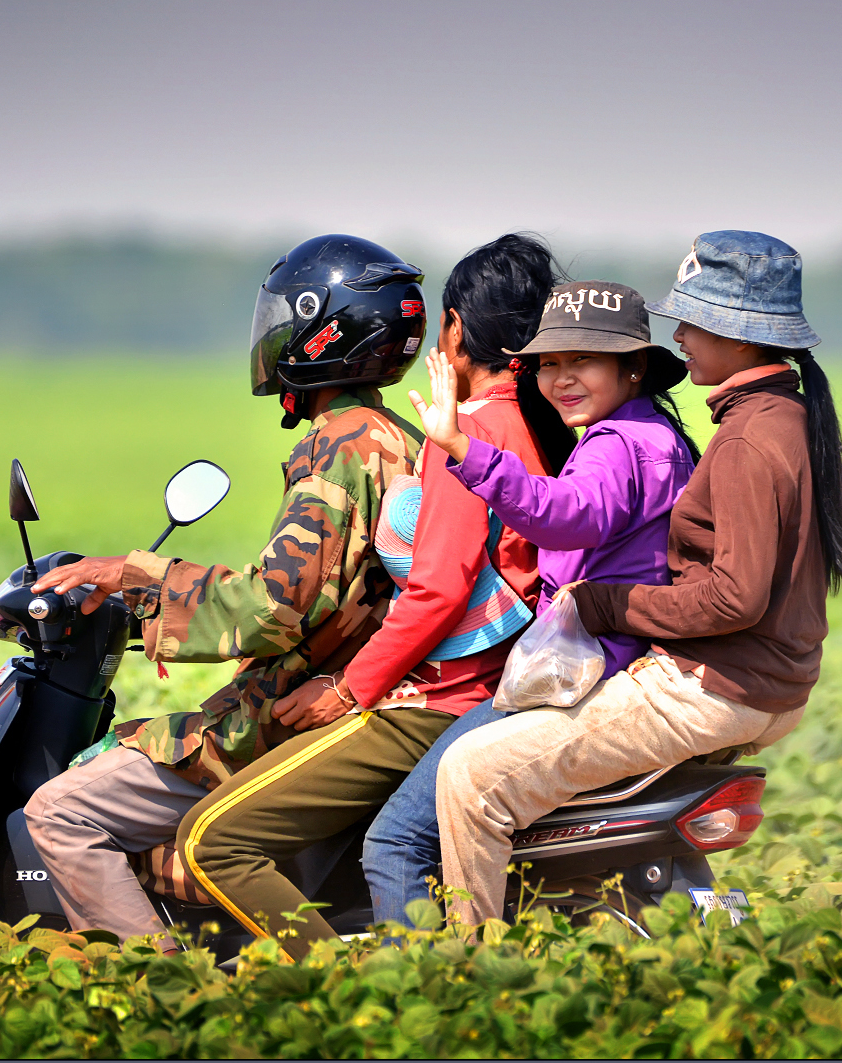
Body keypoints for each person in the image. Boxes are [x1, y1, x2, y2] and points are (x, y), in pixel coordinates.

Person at [434, 231, 842, 928]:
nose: (684, 335)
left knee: (468, 775)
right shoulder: (774, 419)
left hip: (712, 685)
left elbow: (737, 595)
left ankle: (471, 973)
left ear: (739, 332)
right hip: (760, 684)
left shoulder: (751, 438)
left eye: (694, 322)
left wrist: (606, 605)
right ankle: (703, 921)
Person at [21, 234, 425, 948]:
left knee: (62, 810)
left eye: (282, 320)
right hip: (342, 695)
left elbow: (275, 609)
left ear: (319, 331)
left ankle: (151, 992)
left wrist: (139, 578)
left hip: (292, 713)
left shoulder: (342, 447)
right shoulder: (397, 436)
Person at [172, 235, 565, 960]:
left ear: (456, 330)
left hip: (437, 695)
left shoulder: (470, 434)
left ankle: (357, 1002)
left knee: (212, 840)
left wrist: (350, 688)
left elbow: (439, 588)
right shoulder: (544, 424)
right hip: (497, 686)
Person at [363, 279, 699, 927]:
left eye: (582, 361)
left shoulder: (617, 446)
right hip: (620, 659)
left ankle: (435, 998)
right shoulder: (657, 437)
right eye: (549, 363)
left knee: (397, 841)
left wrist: (463, 448)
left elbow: (566, 515)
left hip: (582, 670)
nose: (561, 379)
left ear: (632, 366)